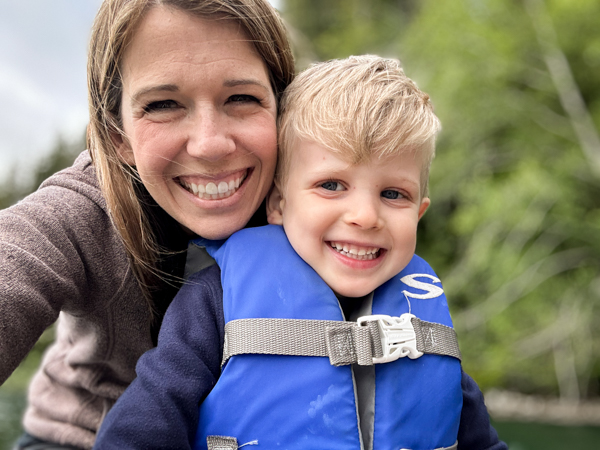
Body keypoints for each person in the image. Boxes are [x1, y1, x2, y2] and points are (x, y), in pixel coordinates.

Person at [94, 56, 507, 450]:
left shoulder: (419, 321)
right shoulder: (215, 301)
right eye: (331, 185)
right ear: (279, 203)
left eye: (393, 194)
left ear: (419, 213)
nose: (365, 216)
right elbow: (135, 435)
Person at [0, 1, 294, 449]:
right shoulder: (81, 212)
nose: (210, 144)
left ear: (281, 109)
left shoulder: (329, 199)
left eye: (241, 98)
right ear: (118, 135)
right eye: (162, 105)